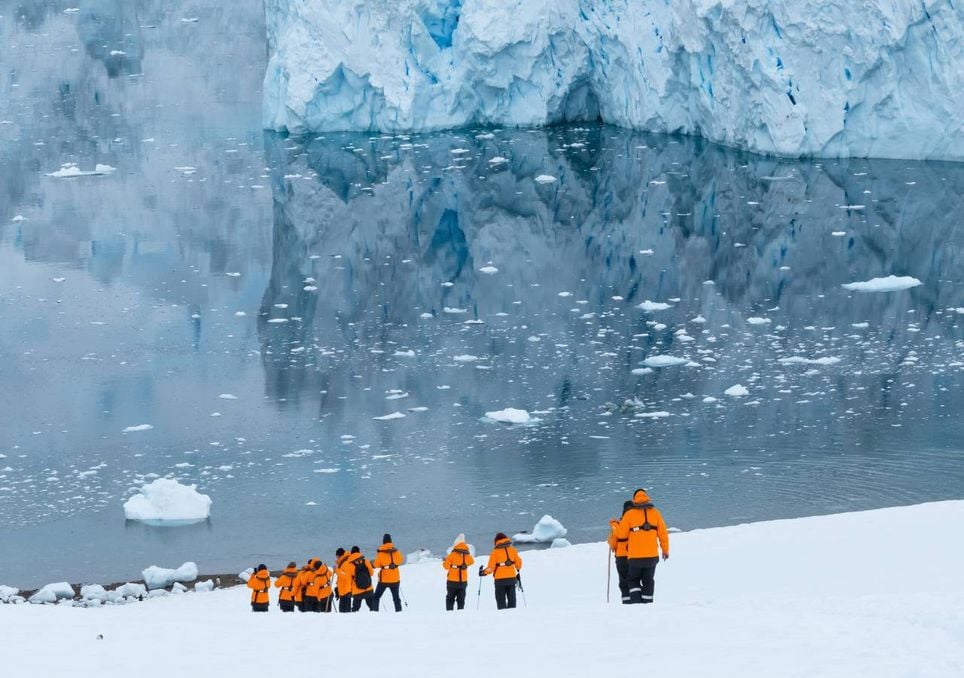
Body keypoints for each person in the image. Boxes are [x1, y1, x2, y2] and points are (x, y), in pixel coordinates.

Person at [616, 488, 670, 604]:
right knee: (648, 580)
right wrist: (665, 550)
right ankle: (648, 604)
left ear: (634, 499)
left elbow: (621, 534)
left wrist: (616, 525)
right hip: (652, 556)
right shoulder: (655, 513)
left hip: (635, 557)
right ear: (646, 497)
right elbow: (663, 534)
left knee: (633, 579)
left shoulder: (629, 514)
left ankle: (637, 604)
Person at [480, 533, 523, 610]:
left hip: (500, 581)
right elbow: (518, 564)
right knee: (512, 600)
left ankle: (502, 618)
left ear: (496, 541)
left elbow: (491, 568)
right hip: (511, 579)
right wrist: (517, 568)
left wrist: (483, 572)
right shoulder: (512, 550)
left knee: (501, 601)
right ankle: (512, 616)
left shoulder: (495, 552)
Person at [608, 501, 633, 604]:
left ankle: (626, 601)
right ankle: (636, 600)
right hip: (634, 556)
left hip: (621, 557)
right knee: (634, 580)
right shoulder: (635, 523)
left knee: (624, 581)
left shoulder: (619, 525)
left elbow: (613, 543)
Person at [372, 533, 404, 612]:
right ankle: (399, 612)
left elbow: (376, 564)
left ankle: (375, 612)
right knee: (396, 597)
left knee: (376, 597)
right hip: (395, 579)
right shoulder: (396, 551)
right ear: (391, 541)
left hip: (384, 580)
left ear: (383, 542)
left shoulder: (381, 553)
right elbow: (401, 560)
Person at [442, 533, 474, 611]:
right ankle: (460, 613)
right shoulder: (467, 555)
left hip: (452, 581)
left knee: (450, 599)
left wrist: (445, 561)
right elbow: (472, 562)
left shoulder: (452, 555)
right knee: (461, 599)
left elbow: (445, 566)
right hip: (463, 581)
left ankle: (449, 613)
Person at [347, 546, 375, 612]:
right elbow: (371, 573)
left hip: (357, 590)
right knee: (372, 607)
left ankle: (355, 621)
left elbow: (349, 579)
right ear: (359, 552)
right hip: (368, 588)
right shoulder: (365, 561)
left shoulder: (349, 564)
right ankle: (374, 620)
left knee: (355, 609)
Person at [334, 548, 353, 613]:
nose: (336, 558)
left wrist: (336, 570)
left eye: (336, 556)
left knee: (344, 612)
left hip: (346, 591)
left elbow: (345, 576)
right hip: (343, 590)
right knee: (343, 611)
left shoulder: (346, 563)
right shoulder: (343, 563)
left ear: (339, 556)